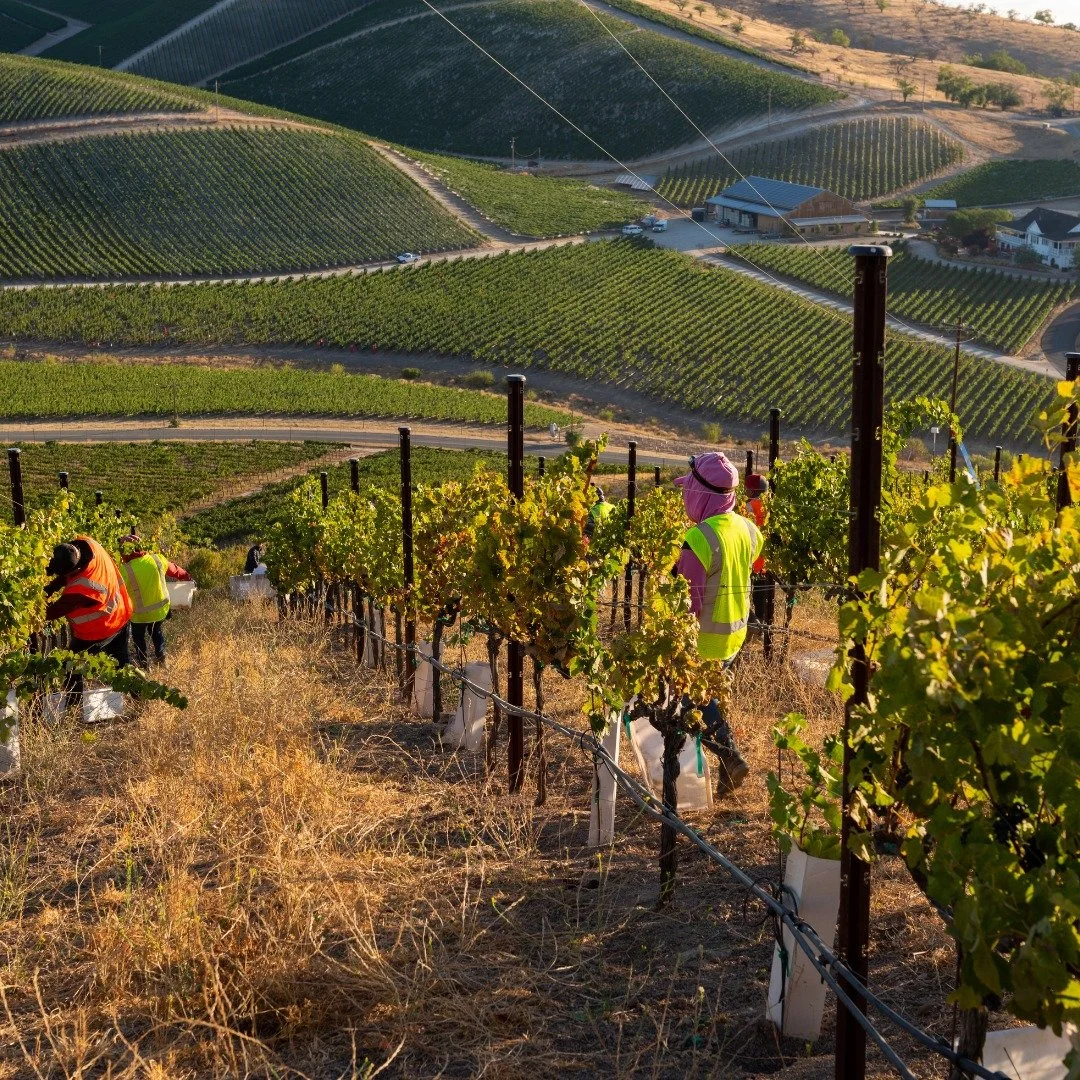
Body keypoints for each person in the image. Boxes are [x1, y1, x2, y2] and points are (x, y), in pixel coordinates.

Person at [674, 452, 764, 796]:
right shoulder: (749, 529)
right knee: (709, 700)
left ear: (700, 495)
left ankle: (729, 758)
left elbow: (688, 604)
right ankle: (725, 771)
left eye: (689, 491)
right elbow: (752, 562)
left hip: (704, 639)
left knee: (690, 703)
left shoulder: (697, 539)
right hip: (735, 633)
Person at [46, 536, 134, 687]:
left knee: (72, 667)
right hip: (120, 613)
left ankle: (73, 706)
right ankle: (139, 697)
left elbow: (50, 613)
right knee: (123, 664)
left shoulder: (83, 588)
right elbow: (66, 570)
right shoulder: (87, 543)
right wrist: (52, 587)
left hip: (102, 628)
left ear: (77, 569)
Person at [119, 535, 192, 668]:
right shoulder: (157, 559)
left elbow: (117, 591)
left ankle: (144, 664)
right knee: (156, 632)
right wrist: (187, 577)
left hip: (139, 615)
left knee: (138, 638)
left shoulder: (124, 570)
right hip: (160, 610)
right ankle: (162, 657)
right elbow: (175, 570)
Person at [744, 472, 772, 630]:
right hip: (767, 560)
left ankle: (755, 627)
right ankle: (764, 629)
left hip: (753, 559)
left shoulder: (749, 507)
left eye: (747, 489)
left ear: (753, 491)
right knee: (763, 598)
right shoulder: (771, 506)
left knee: (747, 595)